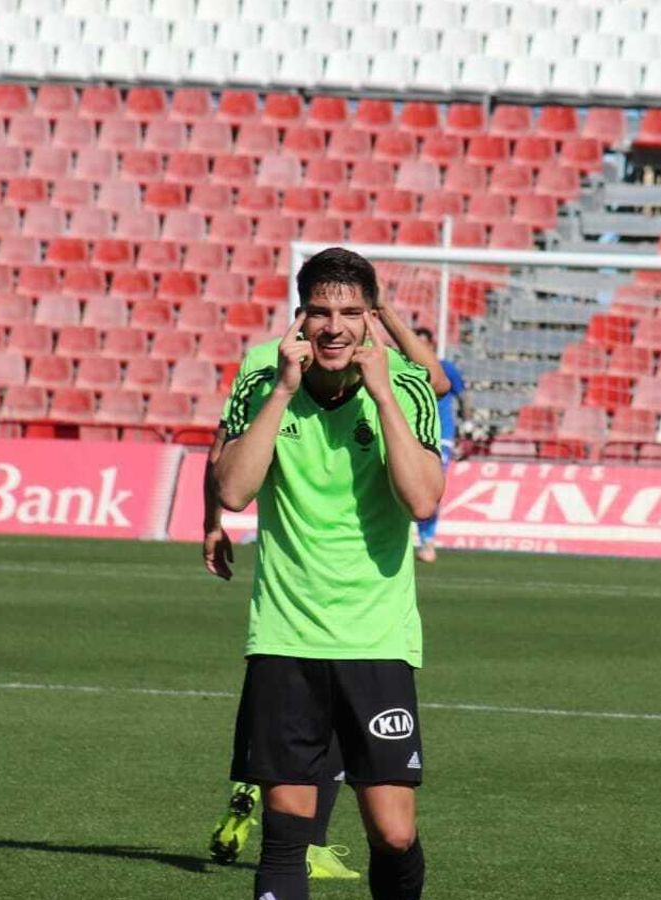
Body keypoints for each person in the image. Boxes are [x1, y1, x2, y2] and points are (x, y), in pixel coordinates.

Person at [214, 247, 443, 900]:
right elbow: (231, 492)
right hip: (285, 637)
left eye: (349, 312)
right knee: (288, 828)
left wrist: (382, 395)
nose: (334, 326)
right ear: (300, 319)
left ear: (372, 320)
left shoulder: (405, 386)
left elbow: (423, 500)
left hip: (376, 640)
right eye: (320, 312)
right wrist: (285, 390)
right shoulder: (264, 380)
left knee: (394, 833)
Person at [409, 327, 463, 564]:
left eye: (424, 344)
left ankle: (427, 541)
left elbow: (463, 395)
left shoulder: (445, 368)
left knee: (430, 487)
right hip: (408, 435)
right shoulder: (403, 368)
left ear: (431, 344)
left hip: (440, 435)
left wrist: (467, 425)